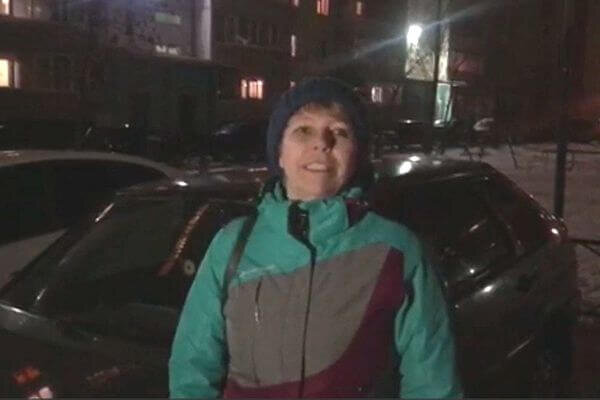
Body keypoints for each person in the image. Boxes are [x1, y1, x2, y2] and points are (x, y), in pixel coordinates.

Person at [169, 77, 463, 398]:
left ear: (357, 154)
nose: (322, 143)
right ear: (279, 153)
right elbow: (192, 371)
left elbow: (432, 384)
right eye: (303, 131)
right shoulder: (233, 244)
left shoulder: (397, 251)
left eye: (339, 132)